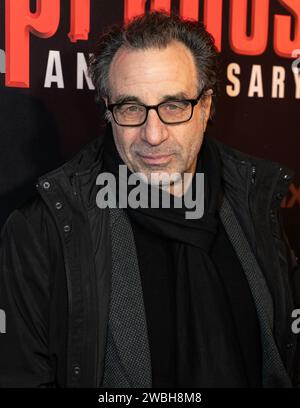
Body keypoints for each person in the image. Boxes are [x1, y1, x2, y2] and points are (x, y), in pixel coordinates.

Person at [0, 11, 299, 388]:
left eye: (173, 106)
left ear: (206, 107)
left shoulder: (260, 202)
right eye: (131, 108)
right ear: (109, 111)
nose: (152, 134)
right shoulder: (43, 229)